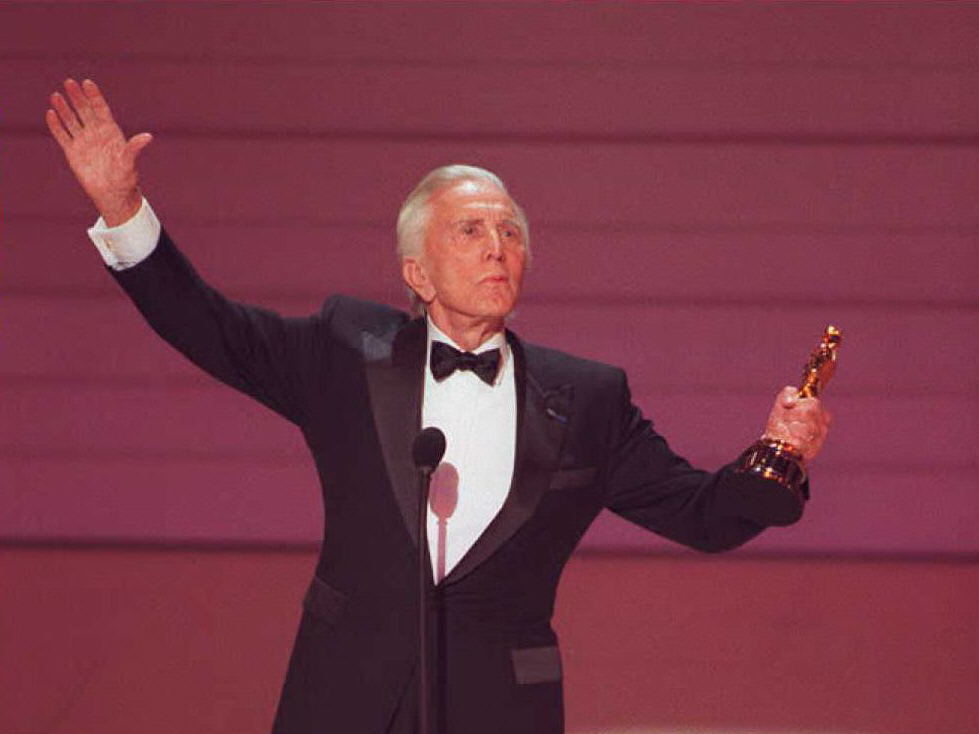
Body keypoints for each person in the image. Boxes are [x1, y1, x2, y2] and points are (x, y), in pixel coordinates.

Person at [46, 78, 831, 734]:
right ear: (416, 272)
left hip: (500, 705)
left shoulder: (587, 398)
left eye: (510, 232)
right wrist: (124, 211)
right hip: (343, 696)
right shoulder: (345, 351)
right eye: (470, 229)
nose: (497, 246)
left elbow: (700, 514)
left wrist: (778, 452)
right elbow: (210, 329)